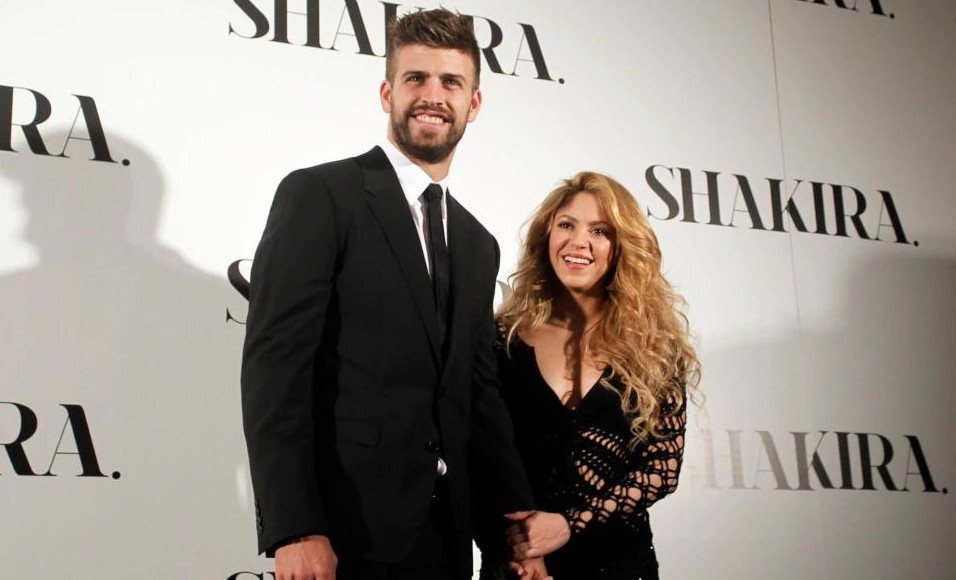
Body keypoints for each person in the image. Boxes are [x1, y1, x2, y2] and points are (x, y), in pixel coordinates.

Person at [241, 9, 547, 580]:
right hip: (341, 534)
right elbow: (275, 372)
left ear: (473, 104)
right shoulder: (321, 195)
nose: (433, 95)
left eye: (451, 82)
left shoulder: (478, 243)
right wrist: (295, 527)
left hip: (448, 542)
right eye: (416, 79)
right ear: (388, 92)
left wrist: (513, 530)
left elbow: (477, 395)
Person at [475, 172, 702, 580]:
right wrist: (514, 551)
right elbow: (475, 455)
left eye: (600, 231)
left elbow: (662, 469)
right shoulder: (498, 341)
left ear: (620, 248)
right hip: (520, 568)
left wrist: (568, 524)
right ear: (546, 236)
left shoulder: (654, 349)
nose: (579, 242)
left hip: (620, 563)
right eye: (566, 225)